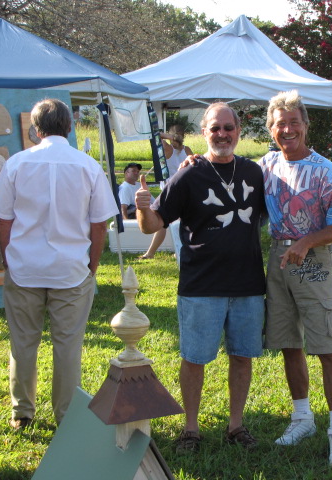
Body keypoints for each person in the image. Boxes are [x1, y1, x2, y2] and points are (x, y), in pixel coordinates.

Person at [135, 102, 266, 453]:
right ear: (204, 133)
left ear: (239, 131)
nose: (222, 134)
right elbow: (154, 224)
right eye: (215, 128)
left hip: (248, 284)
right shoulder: (188, 175)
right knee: (194, 359)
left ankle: (236, 425)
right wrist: (142, 205)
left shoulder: (255, 173)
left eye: (228, 128)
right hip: (200, 286)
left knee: (242, 356)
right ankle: (190, 428)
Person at [0, 98, 118, 429]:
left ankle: (22, 412)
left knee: (23, 343)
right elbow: (99, 224)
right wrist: (91, 266)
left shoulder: (16, 163)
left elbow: (4, 221)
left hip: (25, 268)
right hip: (71, 269)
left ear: (35, 128)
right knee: (68, 347)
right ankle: (67, 416)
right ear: (70, 127)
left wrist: (11, 258)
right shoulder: (87, 166)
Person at [260, 90, 332, 466]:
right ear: (271, 129)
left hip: (313, 260)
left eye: (293, 122)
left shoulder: (325, 170)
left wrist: (306, 242)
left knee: (328, 347)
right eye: (280, 124)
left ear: (305, 125)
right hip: (277, 260)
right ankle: (302, 418)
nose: (287, 130)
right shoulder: (265, 165)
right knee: (287, 341)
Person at [140, 124, 192, 260]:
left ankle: (152, 252)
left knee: (162, 221)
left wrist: (169, 136)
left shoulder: (167, 149)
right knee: (182, 223)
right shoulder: (187, 150)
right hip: (187, 189)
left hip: (171, 189)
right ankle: (156, 252)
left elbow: (155, 135)